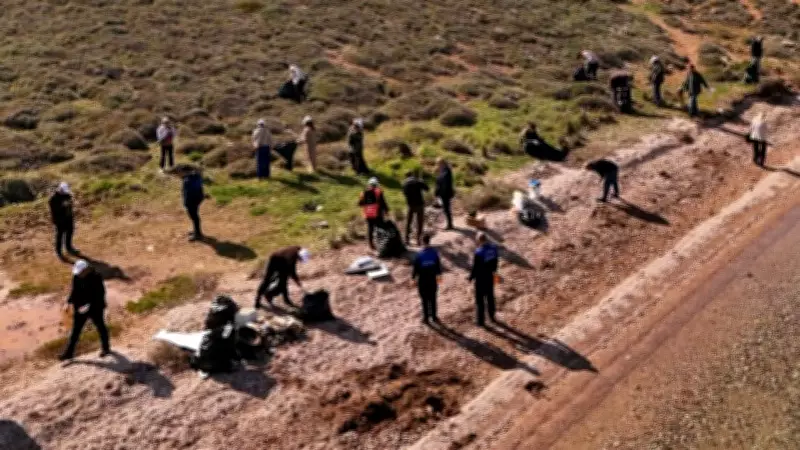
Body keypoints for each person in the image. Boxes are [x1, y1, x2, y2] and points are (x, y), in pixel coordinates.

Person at [59, 260, 110, 361]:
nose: (79, 274)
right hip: (80, 307)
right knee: (75, 330)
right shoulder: (77, 277)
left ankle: (106, 348)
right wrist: (68, 302)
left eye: (81, 272)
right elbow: (74, 291)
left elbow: (100, 294)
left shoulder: (96, 277)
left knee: (100, 327)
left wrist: (89, 306)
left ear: (86, 269)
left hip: (95, 307)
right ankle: (69, 353)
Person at [468, 233, 499, 326]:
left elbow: (475, 267)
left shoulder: (478, 252)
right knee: (490, 297)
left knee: (480, 300)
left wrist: (471, 277)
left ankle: (480, 321)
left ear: (479, 240)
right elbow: (496, 262)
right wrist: (494, 271)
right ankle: (492, 316)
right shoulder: (494, 248)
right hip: (490, 276)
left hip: (480, 279)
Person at [412, 234, 441, 324]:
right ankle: (434, 316)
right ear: (429, 241)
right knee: (433, 298)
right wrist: (439, 280)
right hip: (433, 280)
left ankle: (426, 318)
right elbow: (438, 268)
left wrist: (413, 279)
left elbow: (415, 269)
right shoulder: (435, 253)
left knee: (424, 299)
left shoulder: (419, 255)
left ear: (422, 242)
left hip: (423, 281)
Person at [358, 177, 389, 250]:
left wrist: (367, 203)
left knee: (370, 229)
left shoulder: (364, 192)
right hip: (377, 214)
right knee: (380, 228)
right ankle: (380, 243)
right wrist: (386, 210)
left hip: (368, 214)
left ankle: (371, 245)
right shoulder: (378, 192)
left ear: (369, 184)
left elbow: (360, 204)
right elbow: (383, 202)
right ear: (377, 184)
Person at [49, 182, 77, 260]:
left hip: (68, 218)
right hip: (59, 220)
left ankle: (69, 247)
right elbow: (54, 210)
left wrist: (69, 206)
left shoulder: (67, 195)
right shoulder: (53, 198)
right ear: (60, 189)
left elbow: (70, 205)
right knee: (59, 235)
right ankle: (59, 251)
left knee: (70, 232)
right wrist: (62, 206)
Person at [402, 169, 429, 246]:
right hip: (419, 204)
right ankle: (418, 240)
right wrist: (422, 181)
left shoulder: (404, 183)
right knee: (419, 222)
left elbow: (404, 193)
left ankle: (407, 240)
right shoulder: (418, 181)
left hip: (410, 205)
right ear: (412, 175)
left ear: (406, 176)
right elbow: (427, 188)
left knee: (408, 222)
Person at [182, 167, 205, 242]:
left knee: (194, 216)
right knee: (195, 216)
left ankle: (197, 234)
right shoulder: (195, 177)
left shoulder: (189, 180)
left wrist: (187, 202)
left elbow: (189, 191)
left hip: (192, 200)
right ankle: (196, 231)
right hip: (196, 199)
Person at [435, 158, 455, 230]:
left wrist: (441, 193)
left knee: (446, 209)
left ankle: (449, 225)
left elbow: (444, 184)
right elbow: (439, 183)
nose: (438, 165)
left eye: (438, 163)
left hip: (445, 194)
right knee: (446, 209)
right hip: (443, 194)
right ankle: (449, 224)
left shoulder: (446, 171)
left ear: (442, 163)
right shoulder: (443, 171)